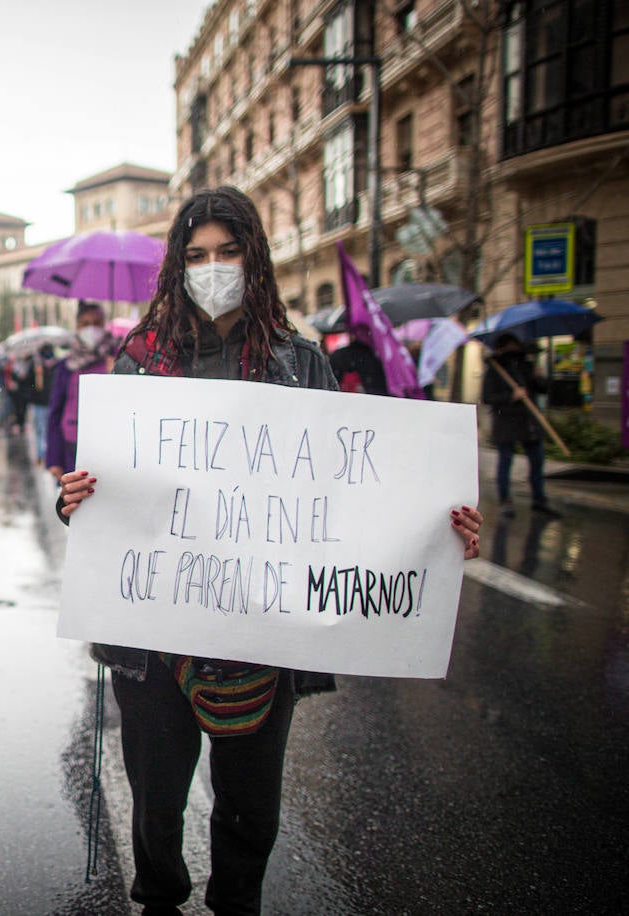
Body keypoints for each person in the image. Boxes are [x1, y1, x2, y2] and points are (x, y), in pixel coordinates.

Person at [55, 187, 483, 916]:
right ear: (176, 268)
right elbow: (104, 498)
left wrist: (435, 530)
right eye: (196, 256)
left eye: (228, 252)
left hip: (261, 636)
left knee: (252, 807)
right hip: (153, 641)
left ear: (254, 259)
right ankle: (158, 899)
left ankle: (237, 903)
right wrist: (75, 504)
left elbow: (346, 496)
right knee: (155, 800)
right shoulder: (138, 364)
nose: (213, 268)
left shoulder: (300, 364)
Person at [482, 332, 559, 518]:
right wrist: (510, 396)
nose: (513, 349)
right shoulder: (495, 369)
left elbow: (543, 389)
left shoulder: (527, 366)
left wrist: (540, 377)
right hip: (506, 422)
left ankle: (539, 499)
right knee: (505, 461)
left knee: (536, 460)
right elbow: (487, 398)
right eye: (509, 345)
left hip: (529, 421)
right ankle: (505, 500)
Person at [46, 300, 114, 480]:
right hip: (71, 446)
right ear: (77, 326)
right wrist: (54, 459)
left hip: (108, 447)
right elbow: (55, 412)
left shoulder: (115, 359)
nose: (91, 329)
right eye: (85, 324)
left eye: (97, 323)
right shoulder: (66, 365)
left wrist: (116, 373)